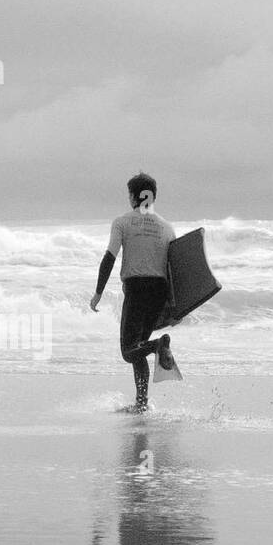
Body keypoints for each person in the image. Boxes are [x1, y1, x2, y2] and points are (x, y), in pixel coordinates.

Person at [89, 171, 178, 411]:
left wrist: (98, 292)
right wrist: (175, 307)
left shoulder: (122, 222)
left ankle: (158, 345)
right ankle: (141, 403)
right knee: (138, 348)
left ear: (132, 196)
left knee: (129, 351)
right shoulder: (167, 227)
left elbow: (109, 257)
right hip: (160, 291)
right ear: (152, 197)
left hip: (137, 289)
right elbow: (174, 270)